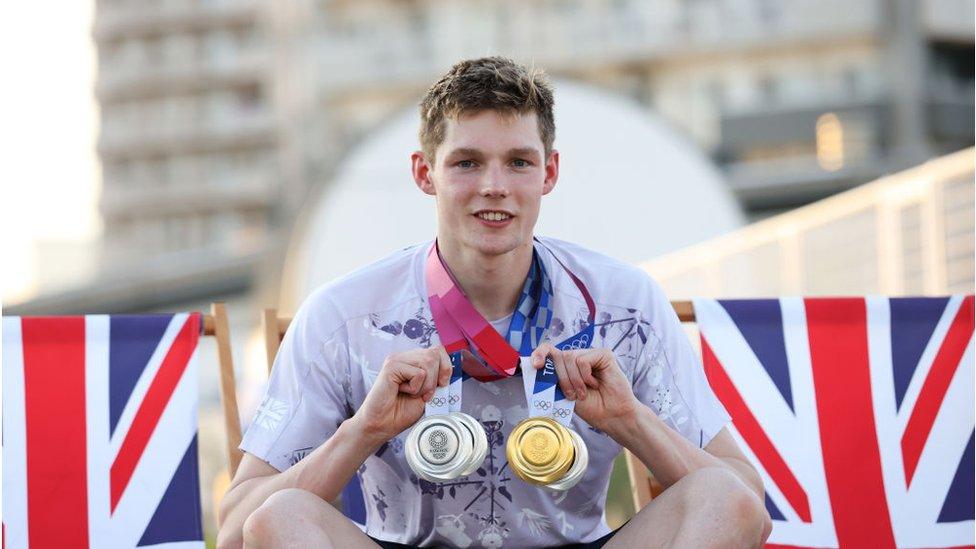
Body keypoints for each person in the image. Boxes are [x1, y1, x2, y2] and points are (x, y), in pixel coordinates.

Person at [216, 56, 772, 549]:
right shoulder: (343, 315)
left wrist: (630, 420)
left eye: (519, 162)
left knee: (724, 499)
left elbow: (747, 505)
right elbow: (242, 526)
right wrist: (363, 429)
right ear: (423, 173)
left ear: (549, 172)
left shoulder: (623, 306)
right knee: (281, 516)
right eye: (466, 163)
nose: (494, 186)